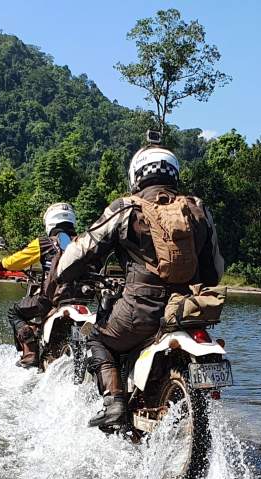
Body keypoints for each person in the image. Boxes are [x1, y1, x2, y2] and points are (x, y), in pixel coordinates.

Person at [51, 136, 225, 429]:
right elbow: (215, 271)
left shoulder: (126, 208)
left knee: (97, 337)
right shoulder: (198, 209)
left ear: (136, 175)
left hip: (140, 312)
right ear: (174, 173)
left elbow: (76, 256)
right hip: (188, 309)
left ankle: (114, 402)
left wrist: (64, 274)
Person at [0, 203, 77, 368]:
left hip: (51, 299)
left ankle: (30, 354)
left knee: (14, 312)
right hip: (81, 296)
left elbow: (17, 260)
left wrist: (2, 265)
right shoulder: (84, 240)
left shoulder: (45, 242)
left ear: (50, 222)